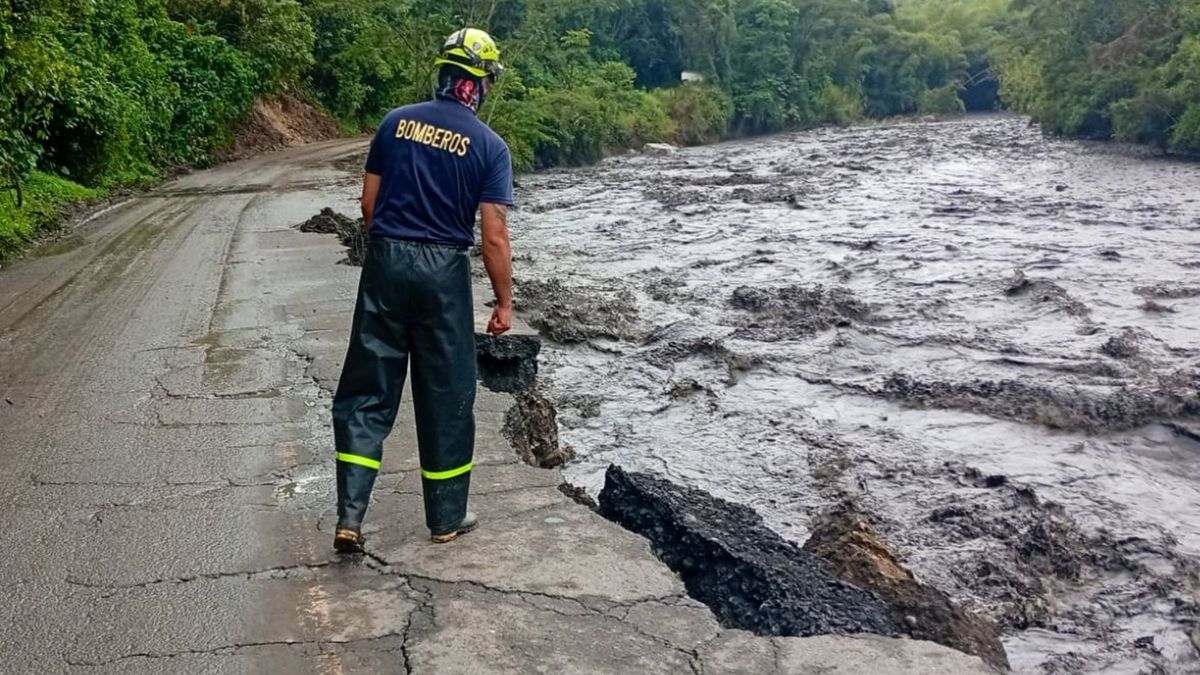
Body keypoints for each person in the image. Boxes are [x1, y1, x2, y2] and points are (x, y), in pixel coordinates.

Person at [331, 28, 514, 553]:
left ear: (443, 72)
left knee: (367, 389)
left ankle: (350, 516)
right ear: (479, 82)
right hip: (444, 274)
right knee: (446, 393)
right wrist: (503, 302)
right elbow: (494, 234)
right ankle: (446, 518)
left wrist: (391, 255)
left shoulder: (394, 122)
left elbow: (369, 205)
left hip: (387, 261)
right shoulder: (489, 147)